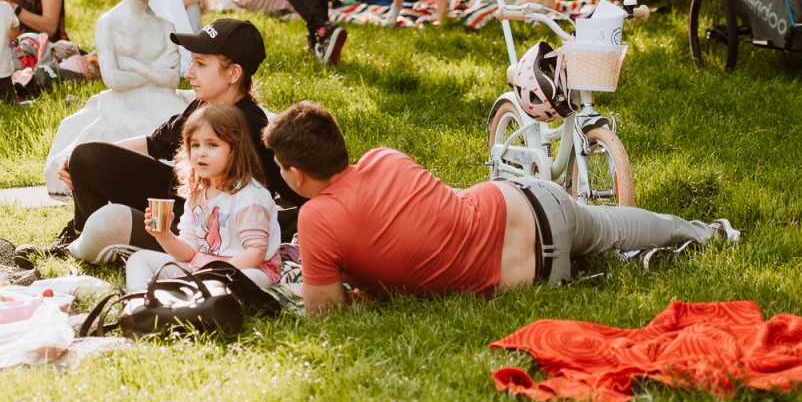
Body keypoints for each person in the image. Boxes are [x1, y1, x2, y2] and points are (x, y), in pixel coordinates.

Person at [260, 101, 736, 312]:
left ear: (296, 174)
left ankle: (674, 243)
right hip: (528, 200)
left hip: (536, 270)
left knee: (606, 236)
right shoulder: (386, 157)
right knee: (611, 227)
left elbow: (326, 313)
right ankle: (705, 230)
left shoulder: (316, 217)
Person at [36, 19, 300, 260]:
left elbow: (288, 189)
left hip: (206, 225)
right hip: (181, 195)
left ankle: (101, 241)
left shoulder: (252, 125)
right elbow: (154, 143)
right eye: (192, 62)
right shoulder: (202, 105)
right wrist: (79, 164)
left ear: (233, 73)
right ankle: (78, 235)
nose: (189, 73)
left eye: (201, 64)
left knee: (117, 213)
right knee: (85, 156)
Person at [114, 104, 282, 290]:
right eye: (195, 145)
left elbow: (256, 252)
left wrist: (212, 274)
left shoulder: (249, 196)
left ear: (234, 150)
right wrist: (164, 236)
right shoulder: (197, 194)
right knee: (139, 259)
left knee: (250, 277)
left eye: (212, 145)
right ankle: (139, 299)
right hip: (202, 269)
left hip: (245, 270)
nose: (201, 152)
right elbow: (188, 252)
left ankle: (196, 296)